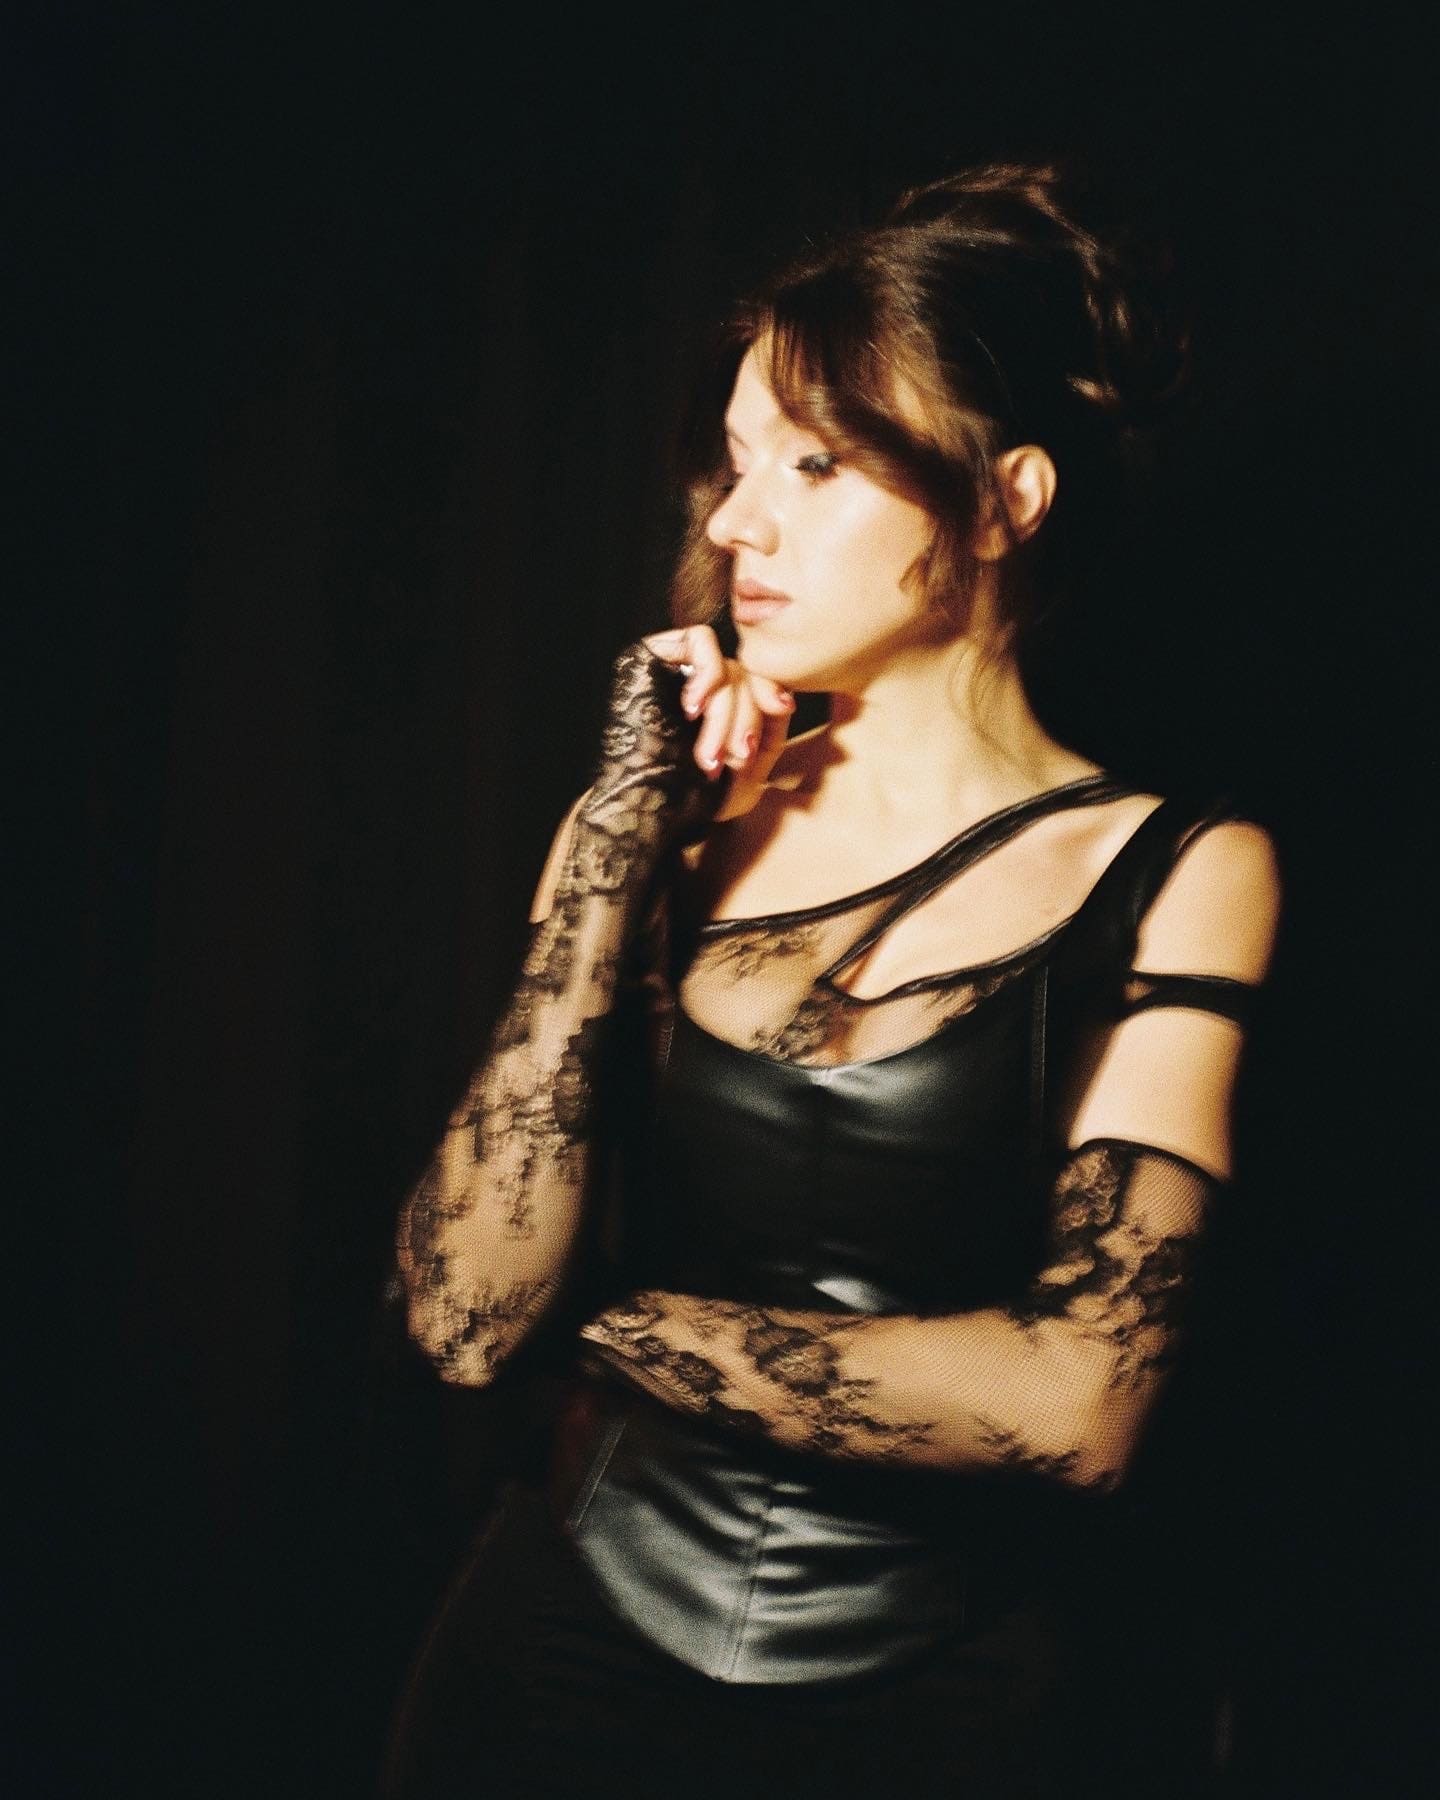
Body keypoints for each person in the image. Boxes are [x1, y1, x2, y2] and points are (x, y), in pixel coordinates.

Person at [383, 162, 1283, 1799]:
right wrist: (618, 841)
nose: (738, 524)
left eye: (815, 463)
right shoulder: (652, 837)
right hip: (552, 1660)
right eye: (734, 467)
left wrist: (601, 1325)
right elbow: (464, 1311)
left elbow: (1081, 1400)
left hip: (952, 1707)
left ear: (1003, 501)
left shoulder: (1179, 868)